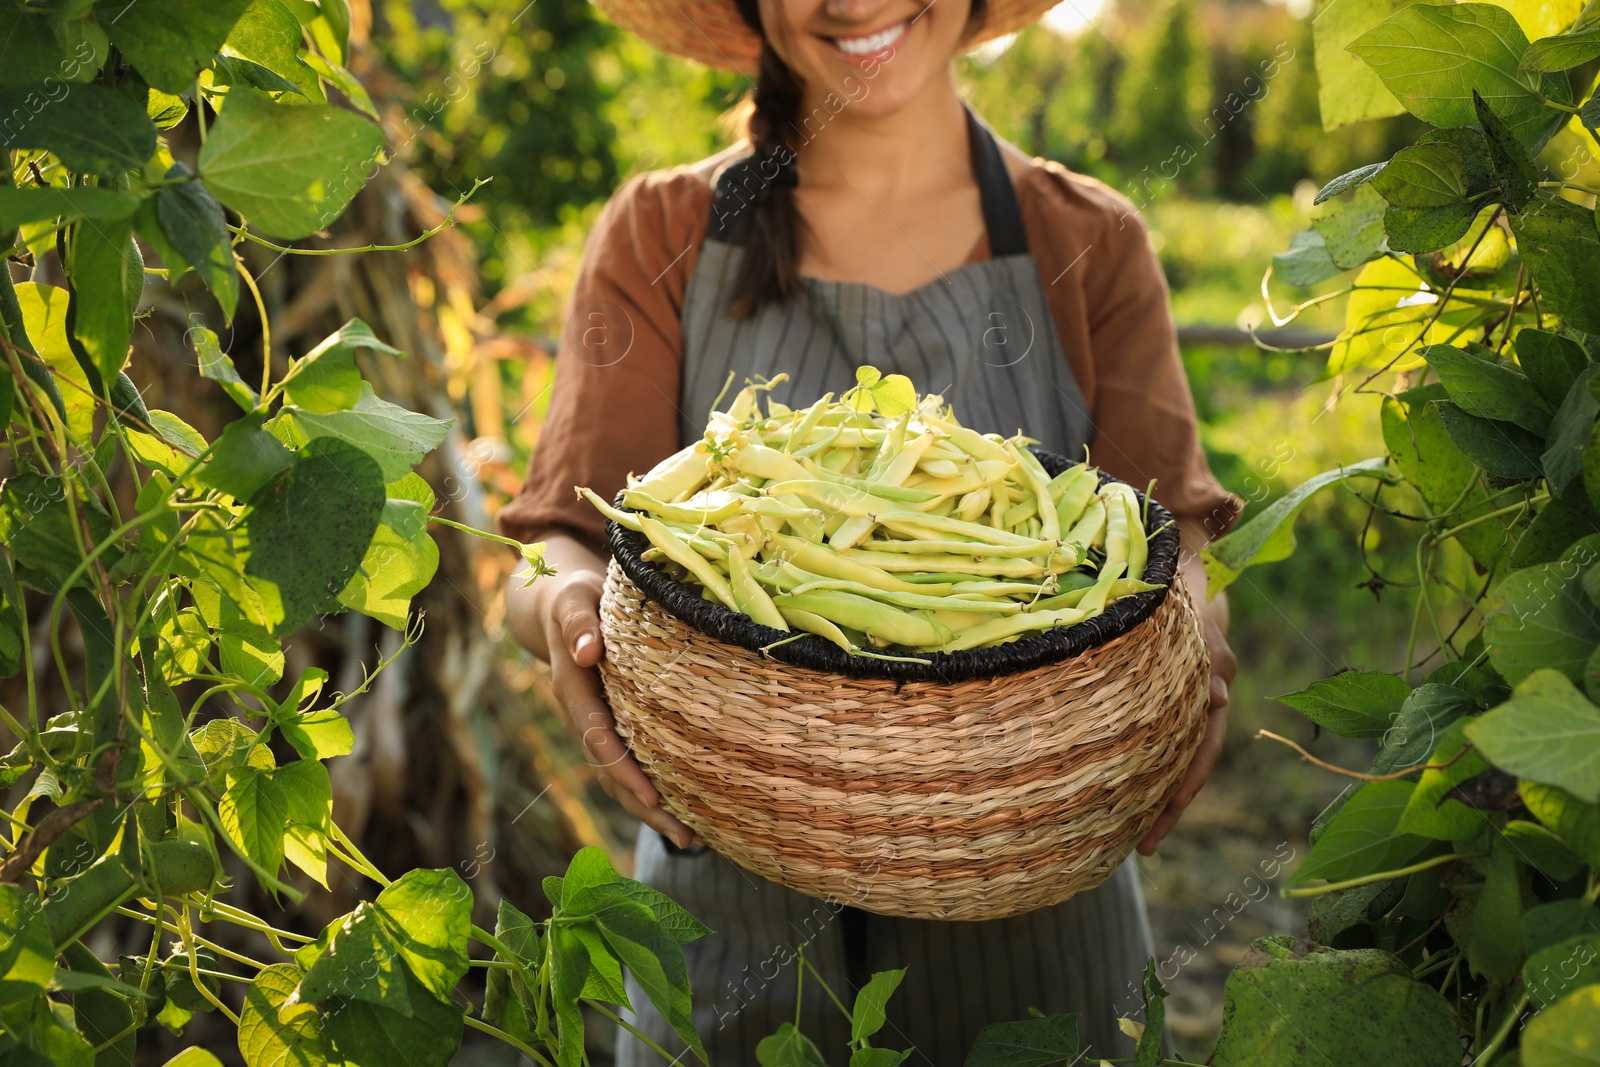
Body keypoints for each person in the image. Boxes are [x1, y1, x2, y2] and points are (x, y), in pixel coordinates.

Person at [499, 0, 1242, 1059]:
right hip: (723, 924)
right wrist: (565, 607)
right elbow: (556, 540)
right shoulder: (660, 232)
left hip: (1036, 930)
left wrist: (1193, 636)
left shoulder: (1088, 238)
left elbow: (1174, 546)